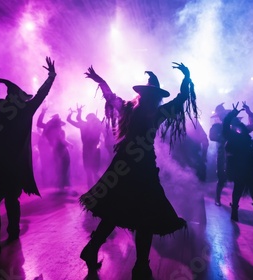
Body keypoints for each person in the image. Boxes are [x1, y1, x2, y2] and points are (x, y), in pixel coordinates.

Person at [79, 63, 196, 279]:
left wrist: (100, 80)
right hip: (139, 167)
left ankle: (94, 249)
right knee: (144, 214)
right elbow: (181, 99)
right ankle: (140, 265)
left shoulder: (130, 109)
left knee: (118, 209)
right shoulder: (155, 112)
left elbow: (110, 96)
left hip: (125, 164)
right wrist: (186, 79)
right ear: (153, 97)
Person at [0, 57, 56, 259]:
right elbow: (40, 96)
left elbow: (39, 96)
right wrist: (51, 76)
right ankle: (12, 233)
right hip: (12, 168)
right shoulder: (19, 113)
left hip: (0, 168)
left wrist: (51, 77)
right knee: (11, 199)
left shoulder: (7, 115)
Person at [223, 102, 253, 225]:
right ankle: (234, 212)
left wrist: (249, 112)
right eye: (234, 121)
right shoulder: (228, 133)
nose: (237, 122)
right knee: (239, 187)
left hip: (248, 163)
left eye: (237, 120)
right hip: (237, 165)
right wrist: (232, 113)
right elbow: (225, 124)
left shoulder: (243, 130)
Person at [67, 104, 103, 187]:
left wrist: (77, 112)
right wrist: (79, 112)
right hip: (91, 149)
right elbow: (73, 119)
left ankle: (93, 186)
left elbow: (71, 119)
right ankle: (95, 186)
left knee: (92, 169)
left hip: (91, 149)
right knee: (91, 169)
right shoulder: (90, 125)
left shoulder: (87, 125)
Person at [37, 109, 72, 189]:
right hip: (57, 149)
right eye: (58, 122)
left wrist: (68, 143)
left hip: (58, 149)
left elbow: (62, 139)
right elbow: (61, 140)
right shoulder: (51, 129)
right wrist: (68, 144)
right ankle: (60, 185)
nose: (59, 124)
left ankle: (61, 184)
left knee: (62, 166)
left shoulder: (54, 129)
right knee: (60, 166)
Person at [209, 103, 229, 206]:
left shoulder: (231, 125)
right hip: (222, 153)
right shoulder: (216, 126)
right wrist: (221, 139)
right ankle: (217, 198)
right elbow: (211, 137)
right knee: (221, 176)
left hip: (234, 152)